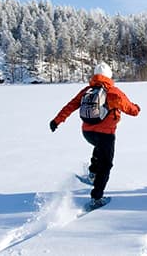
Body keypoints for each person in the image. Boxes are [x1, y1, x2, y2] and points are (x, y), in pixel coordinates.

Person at [49, 62, 141, 209]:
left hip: (87, 133)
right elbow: (132, 111)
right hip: (106, 134)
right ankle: (97, 197)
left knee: (99, 148)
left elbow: (71, 105)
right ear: (109, 76)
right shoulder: (113, 92)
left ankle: (92, 173)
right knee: (106, 164)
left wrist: (56, 120)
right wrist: (137, 107)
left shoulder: (87, 90)